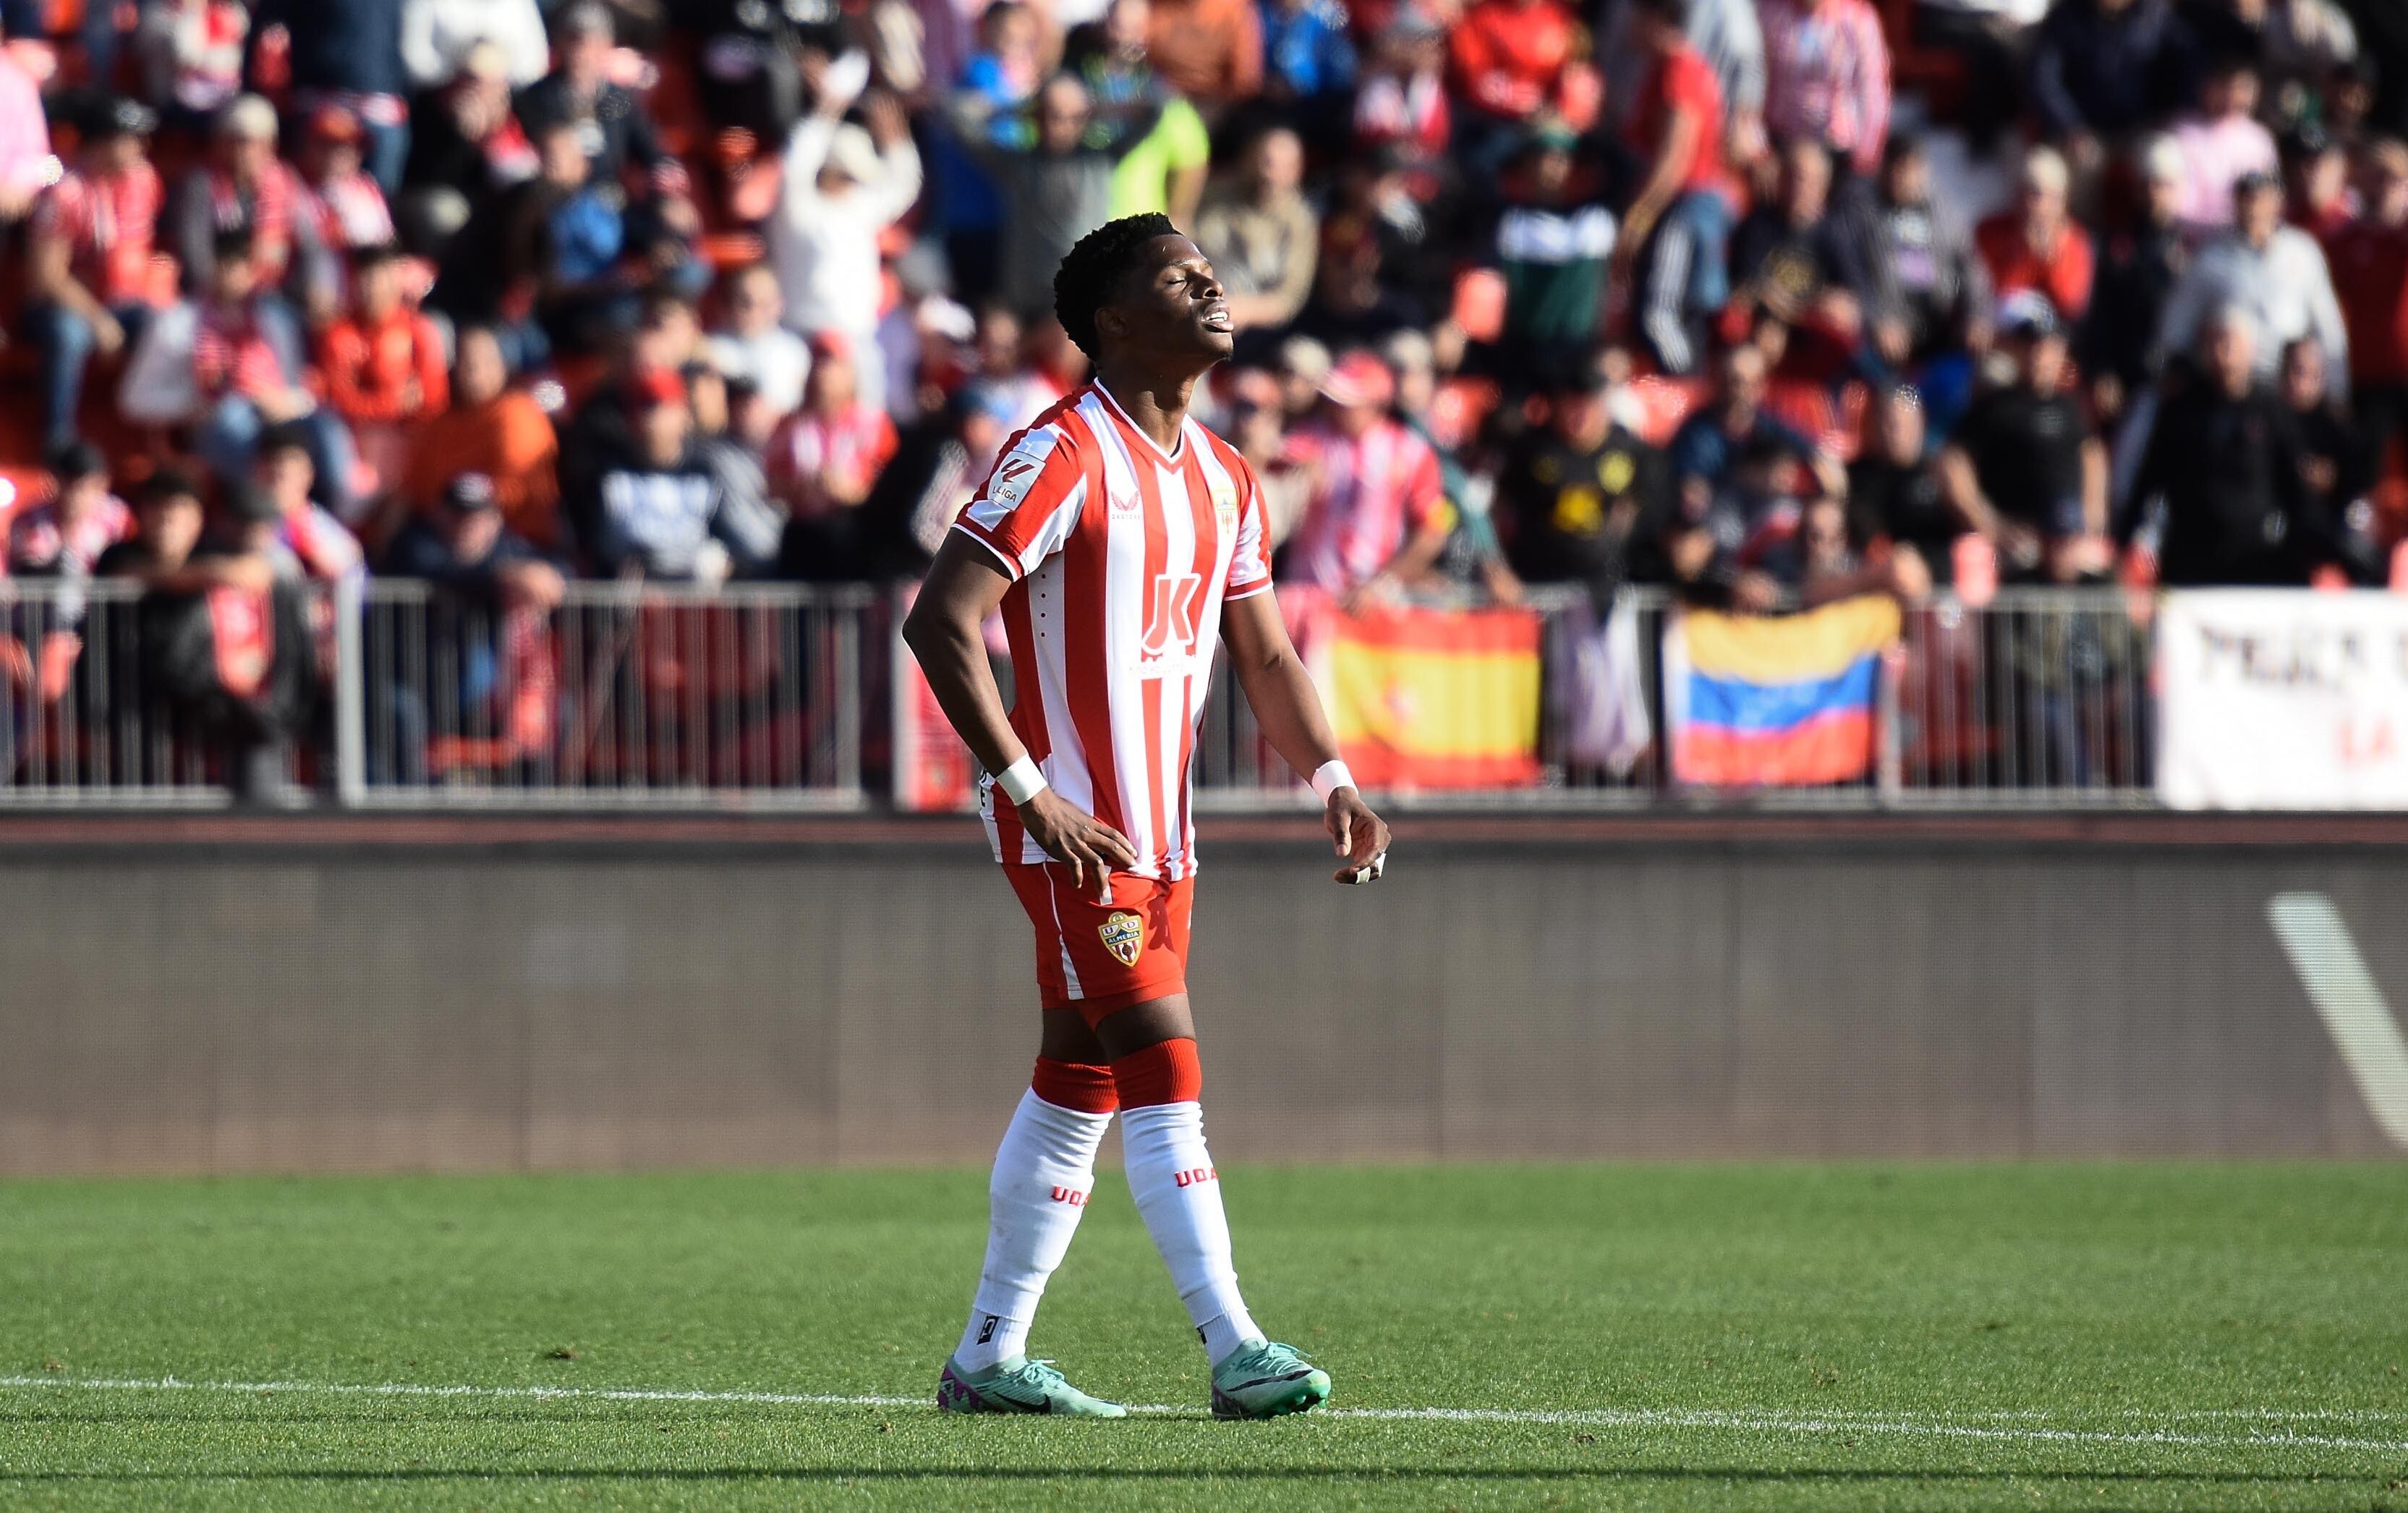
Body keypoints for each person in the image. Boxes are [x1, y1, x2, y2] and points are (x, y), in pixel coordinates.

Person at [901, 213, 1387, 1420]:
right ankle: (1233, 1343)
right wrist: (1030, 789)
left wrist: (1331, 777)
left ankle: (986, 1356)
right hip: (1072, 830)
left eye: (1209, 271)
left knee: (1081, 1078)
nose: (1212, 286)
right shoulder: (1059, 454)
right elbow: (939, 619)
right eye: (1181, 277)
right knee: (1163, 1063)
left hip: (1158, 836)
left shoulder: (1225, 477)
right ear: (1114, 319)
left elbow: (1265, 652)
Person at [2130, 306, 2336, 585]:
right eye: (2216, 341)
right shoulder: (2181, 409)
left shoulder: (2269, 408)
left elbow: (2295, 487)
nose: (2223, 351)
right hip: (2192, 559)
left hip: (2257, 560)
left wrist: (2312, 549)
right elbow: (2150, 477)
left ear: (2250, 349)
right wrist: (2126, 535)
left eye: (2232, 342)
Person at [25, 96, 166, 452]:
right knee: (67, 333)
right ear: (103, 142)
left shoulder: (145, 181)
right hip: (66, 305)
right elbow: (47, 277)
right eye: (131, 139)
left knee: (168, 327)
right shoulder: (65, 192)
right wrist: (98, 319)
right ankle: (57, 441)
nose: (141, 148)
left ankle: (154, 437)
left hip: (124, 300)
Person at [1941, 297, 2113, 582]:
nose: (2038, 354)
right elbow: (1952, 463)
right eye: (2030, 345)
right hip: (2019, 550)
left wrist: (2092, 521)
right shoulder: (1994, 407)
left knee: (2110, 585)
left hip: (2073, 542)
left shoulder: (2071, 407)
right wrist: (1990, 523)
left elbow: (2092, 455)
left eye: (2046, 346)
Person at [1615, 0, 1737, 376]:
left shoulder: (1681, 72)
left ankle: (1685, 388)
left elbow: (1673, 164)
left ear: (1656, 20)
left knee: (1663, 317)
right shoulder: (1668, 69)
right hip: (1681, 207)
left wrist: (1635, 222)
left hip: (1684, 212)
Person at [2156, 170, 2349, 394]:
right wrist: (2169, 366)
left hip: (2289, 383)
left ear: (2278, 201)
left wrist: (2337, 388)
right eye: (2246, 197)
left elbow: (2327, 325)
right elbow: (2177, 321)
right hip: (2232, 384)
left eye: (2260, 197)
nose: (2253, 206)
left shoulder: (2303, 251)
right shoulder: (2212, 256)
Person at [1283, 350, 1454, 605]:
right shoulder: (1311, 438)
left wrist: (1384, 582)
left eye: (1348, 402)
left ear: (1376, 404)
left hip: (1373, 608)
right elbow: (1266, 461)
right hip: (1309, 599)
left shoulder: (1411, 451)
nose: (1336, 408)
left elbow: (1434, 528)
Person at [1494, 361, 1661, 597]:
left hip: (1608, 584)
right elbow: (1500, 508)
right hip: (1541, 580)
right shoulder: (1531, 450)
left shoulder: (1632, 451)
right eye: (1572, 405)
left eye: (1588, 405)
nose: (1580, 414)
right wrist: (1499, 567)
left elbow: (1651, 504)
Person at [406, 324, 563, 549]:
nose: (473, 370)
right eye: (465, 361)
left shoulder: (518, 413)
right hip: (441, 533)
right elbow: (417, 488)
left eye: (483, 361)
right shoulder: (440, 423)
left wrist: (472, 517)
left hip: (511, 537)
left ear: (502, 366)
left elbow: (519, 491)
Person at [1193, 125, 1318, 335]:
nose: (1267, 173)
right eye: (1264, 161)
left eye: (1278, 165)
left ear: (1296, 170)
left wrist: (1240, 309)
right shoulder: (1213, 197)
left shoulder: (1298, 222)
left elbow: (1288, 299)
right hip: (1197, 310)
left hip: (1258, 334)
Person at [1758, 0, 1892, 178]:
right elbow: (1755, 77)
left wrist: (1865, 155)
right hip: (1780, 141)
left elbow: (1874, 90)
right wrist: (1759, 150)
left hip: (1838, 147)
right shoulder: (1770, 11)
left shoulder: (1857, 19)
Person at [707, 263, 812, 419]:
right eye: (746, 303)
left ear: (779, 305)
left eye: (764, 304)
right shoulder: (711, 349)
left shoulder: (796, 351)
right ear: (729, 304)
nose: (754, 312)